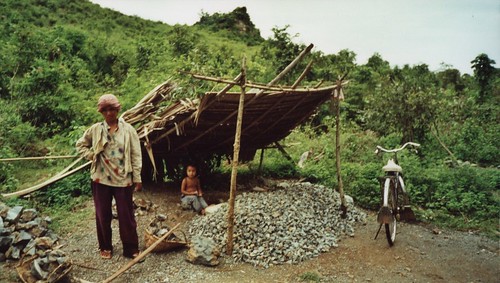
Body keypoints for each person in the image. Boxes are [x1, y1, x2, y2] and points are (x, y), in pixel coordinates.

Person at [76, 94, 142, 260]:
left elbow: (136, 154)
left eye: (111, 109)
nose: (109, 113)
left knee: (126, 216)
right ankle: (105, 246)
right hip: (101, 179)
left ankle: (131, 248)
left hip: (123, 179)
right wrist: (91, 155)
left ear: (117, 109)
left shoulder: (128, 130)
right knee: (102, 214)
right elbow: (80, 144)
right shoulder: (96, 129)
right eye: (105, 110)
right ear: (101, 112)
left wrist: (137, 177)